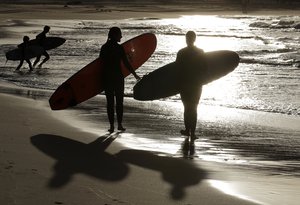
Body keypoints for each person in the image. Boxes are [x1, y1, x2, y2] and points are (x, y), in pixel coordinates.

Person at [99, 27, 140, 133]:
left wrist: (100, 81)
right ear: (115, 35)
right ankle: (120, 125)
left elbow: (100, 65)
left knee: (110, 103)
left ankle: (112, 126)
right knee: (119, 102)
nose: (121, 36)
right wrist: (134, 74)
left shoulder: (104, 47)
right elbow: (126, 63)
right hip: (117, 78)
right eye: (119, 34)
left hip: (107, 77)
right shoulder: (119, 48)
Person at [176, 31, 206, 142]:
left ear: (188, 39)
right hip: (196, 84)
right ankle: (192, 133)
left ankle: (188, 130)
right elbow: (205, 69)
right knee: (193, 108)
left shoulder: (181, 53)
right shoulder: (200, 52)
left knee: (187, 108)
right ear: (194, 39)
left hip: (184, 84)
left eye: (187, 38)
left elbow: (177, 70)